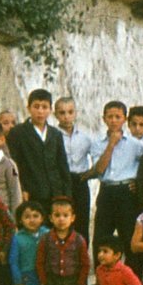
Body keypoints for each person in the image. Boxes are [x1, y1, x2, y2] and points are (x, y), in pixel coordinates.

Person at [86, 101, 143, 272]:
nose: (114, 120)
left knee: (129, 238)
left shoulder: (136, 145)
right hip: (107, 191)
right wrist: (111, 144)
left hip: (127, 193)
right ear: (104, 119)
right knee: (100, 238)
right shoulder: (98, 143)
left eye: (118, 117)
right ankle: (102, 283)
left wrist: (141, 185)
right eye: (110, 117)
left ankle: (133, 283)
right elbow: (99, 169)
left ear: (124, 119)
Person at [5, 88, 70, 207]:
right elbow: (14, 163)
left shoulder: (55, 134)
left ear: (50, 110)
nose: (40, 111)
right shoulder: (17, 133)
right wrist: (22, 188)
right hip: (31, 192)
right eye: (36, 106)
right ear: (28, 108)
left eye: (44, 107)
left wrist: (66, 193)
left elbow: (62, 164)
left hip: (55, 193)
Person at [54, 97, 93, 244]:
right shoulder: (53, 135)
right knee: (62, 221)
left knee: (82, 220)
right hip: (62, 182)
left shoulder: (85, 138)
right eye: (62, 112)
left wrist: (90, 173)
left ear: (75, 113)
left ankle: (82, 257)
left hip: (80, 182)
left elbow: (96, 156)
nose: (66, 116)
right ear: (55, 114)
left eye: (70, 112)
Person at [9, 201, 48, 285]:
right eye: (27, 217)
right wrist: (18, 283)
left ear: (42, 218)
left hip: (46, 278)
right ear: (20, 220)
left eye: (36, 216)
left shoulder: (48, 234)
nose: (32, 220)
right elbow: (14, 262)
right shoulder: (17, 238)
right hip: (27, 280)